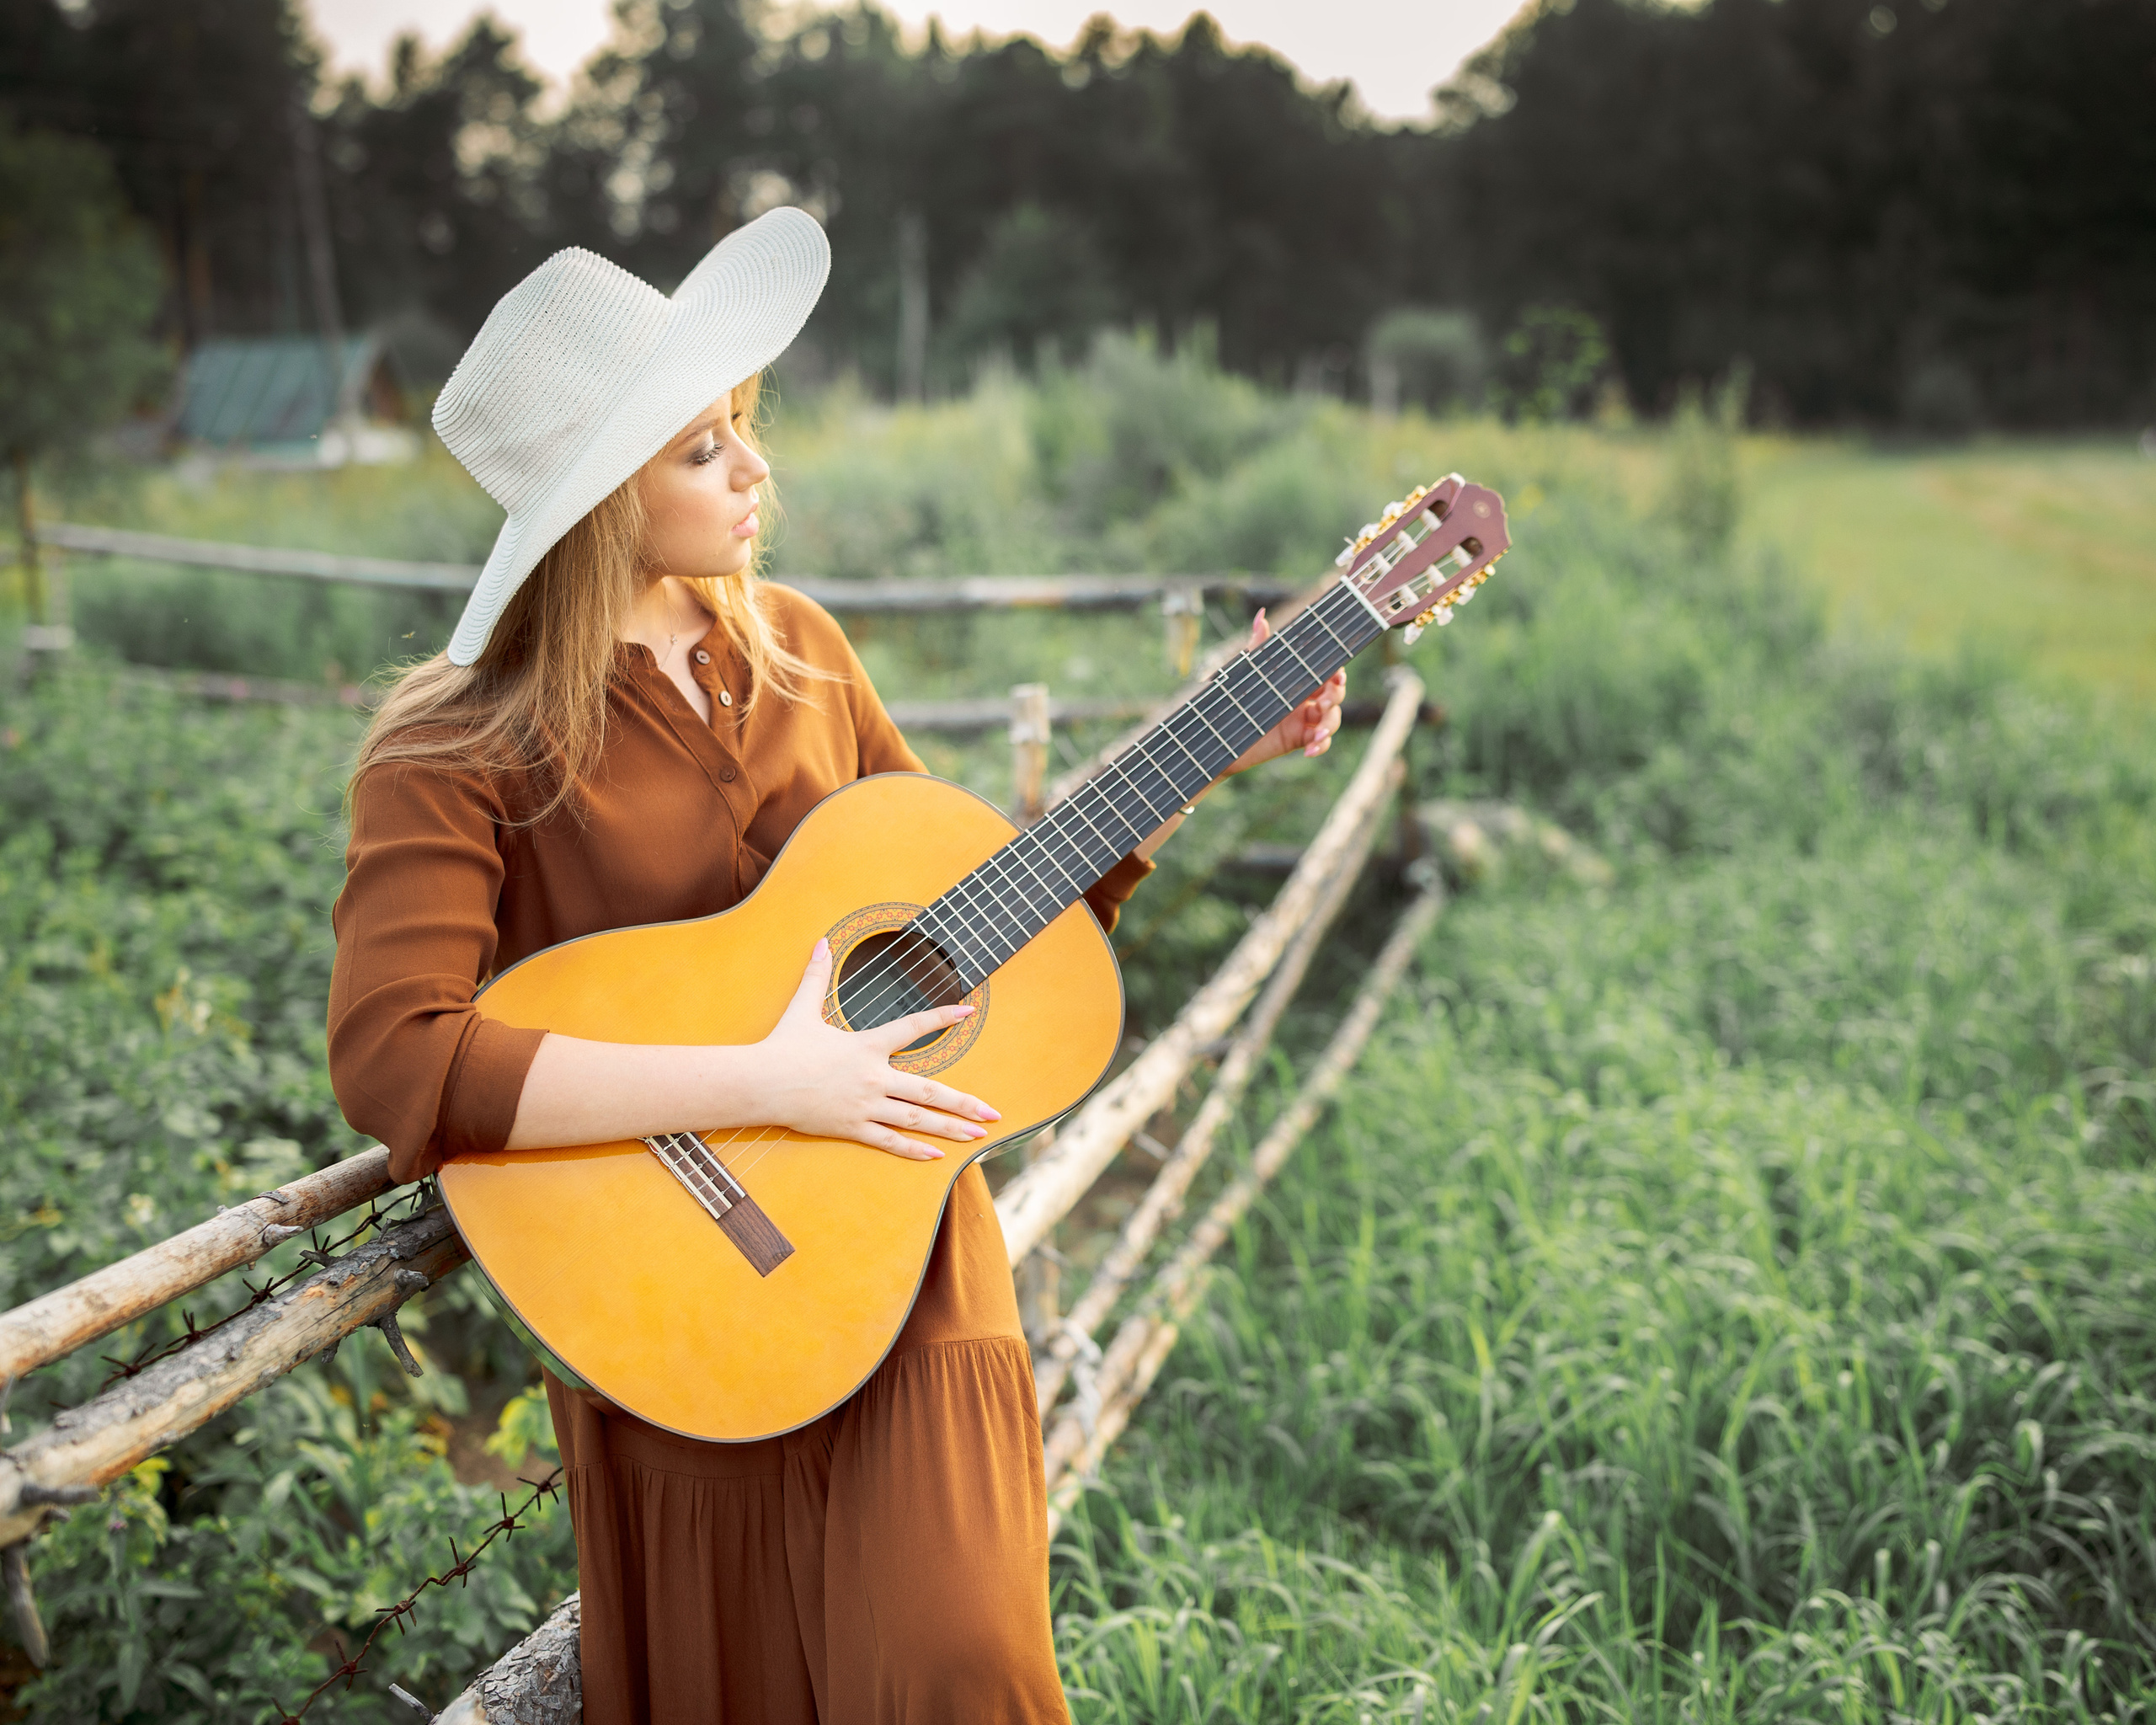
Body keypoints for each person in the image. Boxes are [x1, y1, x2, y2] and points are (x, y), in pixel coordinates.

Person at [325, 209, 1344, 1724]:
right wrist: (764, 1081)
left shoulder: (799, 649)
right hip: (683, 1296)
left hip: (910, 1251)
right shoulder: (454, 745)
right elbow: (395, 1056)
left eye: (744, 426)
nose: (754, 470)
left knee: (961, 1672)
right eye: (702, 448)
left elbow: (972, 917)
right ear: (599, 503)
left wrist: (1203, 754)